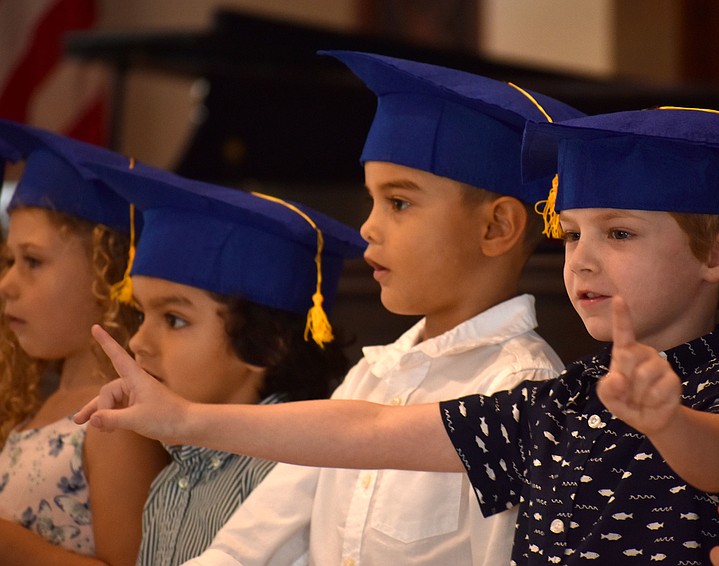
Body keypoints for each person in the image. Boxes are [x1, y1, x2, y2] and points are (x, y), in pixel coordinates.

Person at [76, 106, 719, 563]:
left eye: (618, 233)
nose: (582, 257)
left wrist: (668, 421)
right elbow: (369, 431)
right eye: (573, 233)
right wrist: (185, 419)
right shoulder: (561, 402)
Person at [185, 50, 584, 566]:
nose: (368, 227)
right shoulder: (371, 379)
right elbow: (252, 545)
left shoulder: (517, 389)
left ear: (495, 227)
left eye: (398, 202)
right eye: (370, 200)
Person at [79, 159, 364, 565]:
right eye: (142, 315)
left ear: (267, 344)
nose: (139, 341)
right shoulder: (175, 475)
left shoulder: (286, 472)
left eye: (174, 319)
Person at [0, 120, 169, 564]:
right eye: (9, 260)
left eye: (32, 261)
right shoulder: (44, 406)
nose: (7, 283)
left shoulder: (115, 421)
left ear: (106, 274)